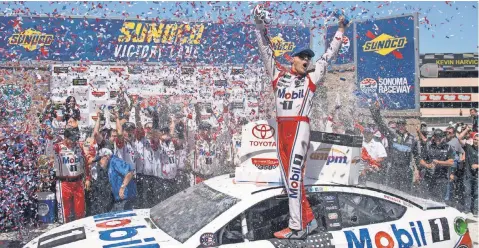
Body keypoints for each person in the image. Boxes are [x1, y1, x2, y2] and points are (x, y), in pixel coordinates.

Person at [253, 4, 347, 239]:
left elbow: (329, 55)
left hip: (299, 128)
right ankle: (309, 220)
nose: (307, 60)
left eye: (308, 57)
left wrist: (341, 30)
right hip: (281, 129)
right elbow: (265, 49)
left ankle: (297, 227)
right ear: (292, 59)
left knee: (294, 176)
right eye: (302, 57)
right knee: (290, 180)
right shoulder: (278, 75)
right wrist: (258, 25)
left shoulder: (312, 77)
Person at [369, 102, 420, 193]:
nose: (400, 126)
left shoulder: (412, 139)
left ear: (405, 125)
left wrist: (417, 171)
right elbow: (381, 124)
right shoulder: (392, 135)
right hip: (393, 169)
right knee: (392, 193)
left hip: (406, 170)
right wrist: (376, 111)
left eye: (402, 124)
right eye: (399, 124)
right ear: (396, 125)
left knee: (406, 193)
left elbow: (417, 157)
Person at [53, 126, 92, 223]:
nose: (74, 142)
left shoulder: (79, 146)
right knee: (65, 213)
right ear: (65, 138)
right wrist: (50, 137)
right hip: (64, 183)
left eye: (75, 139)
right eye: (72, 139)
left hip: (78, 182)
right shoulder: (58, 147)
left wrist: (87, 178)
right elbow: (49, 150)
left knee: (80, 212)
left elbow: (85, 163)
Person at [420, 129, 455, 202]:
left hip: (441, 178)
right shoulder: (429, 146)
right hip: (428, 177)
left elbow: (451, 162)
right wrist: (427, 165)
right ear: (433, 137)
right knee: (426, 199)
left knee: (439, 200)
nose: (437, 139)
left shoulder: (448, 147)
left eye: (439, 137)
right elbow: (421, 160)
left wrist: (439, 162)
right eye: (436, 137)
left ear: (443, 137)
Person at [445, 126, 465, 208]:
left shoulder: (455, 141)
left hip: (451, 168)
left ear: (453, 134)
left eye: (449, 132)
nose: (447, 134)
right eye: (446, 132)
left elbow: (463, 152)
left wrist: (462, 159)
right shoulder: (443, 140)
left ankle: (448, 204)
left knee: (449, 186)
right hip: (444, 167)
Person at [464, 132, 478, 216]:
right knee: (467, 193)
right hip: (468, 174)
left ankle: (476, 211)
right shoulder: (469, 148)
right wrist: (466, 130)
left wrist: (477, 166)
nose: (476, 141)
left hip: (477, 176)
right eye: (475, 139)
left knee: (477, 194)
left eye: (478, 140)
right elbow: (459, 139)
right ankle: (467, 210)